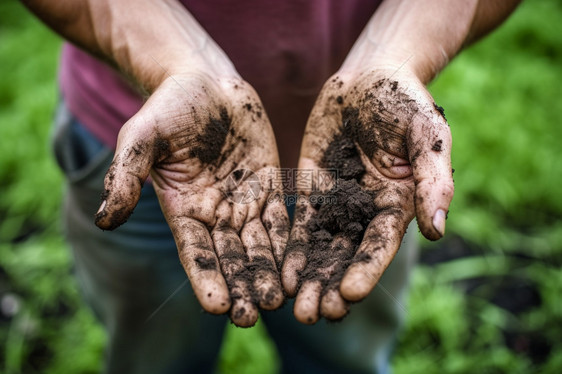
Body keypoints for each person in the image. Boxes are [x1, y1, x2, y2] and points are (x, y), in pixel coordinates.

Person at [23, 0, 520, 373]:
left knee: (343, 357)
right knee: (154, 356)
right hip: (171, 160)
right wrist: (177, 62)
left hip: (365, 171)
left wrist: (397, 55)